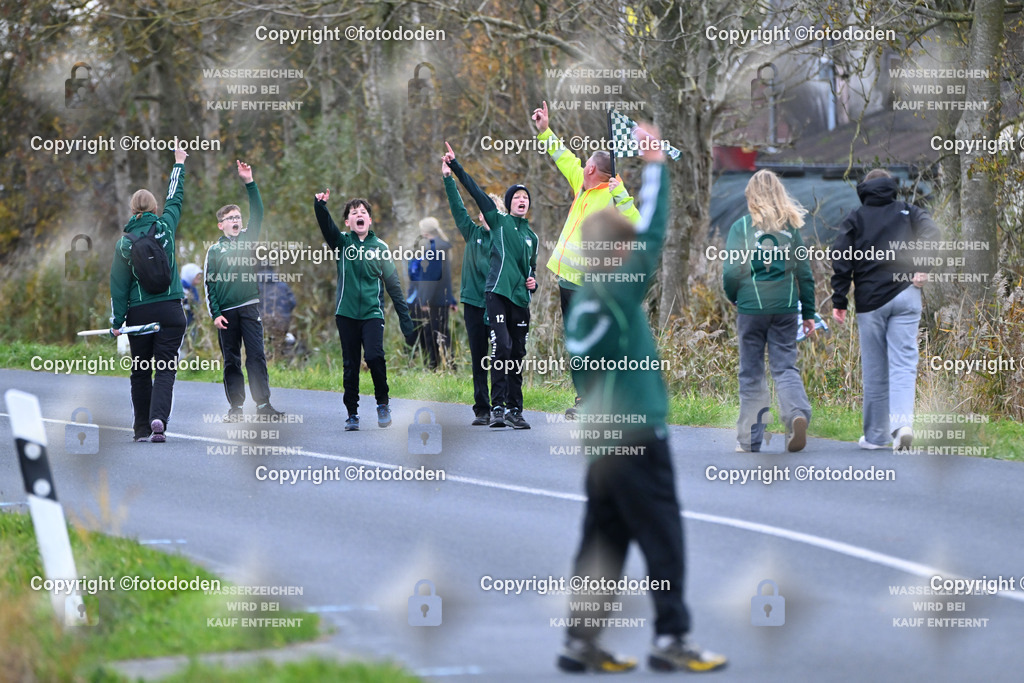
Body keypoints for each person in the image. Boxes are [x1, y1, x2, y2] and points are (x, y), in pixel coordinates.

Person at [559, 124, 727, 673]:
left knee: (602, 543)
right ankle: (671, 637)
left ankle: (581, 641)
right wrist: (656, 164)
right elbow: (654, 232)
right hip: (637, 437)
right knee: (664, 538)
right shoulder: (617, 290)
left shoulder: (583, 300)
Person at [531, 100, 641, 419]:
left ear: (592, 168)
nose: (580, 168)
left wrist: (621, 194)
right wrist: (544, 131)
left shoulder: (610, 194)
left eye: (585, 165)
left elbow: (636, 223)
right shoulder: (583, 185)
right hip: (568, 281)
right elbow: (563, 157)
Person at [830, 168, 939, 451]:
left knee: (875, 369)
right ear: (891, 186)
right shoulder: (910, 211)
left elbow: (841, 257)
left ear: (864, 188)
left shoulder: (855, 218)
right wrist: (922, 266)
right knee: (904, 365)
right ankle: (903, 426)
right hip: (907, 295)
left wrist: (839, 300)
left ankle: (877, 437)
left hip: (871, 302)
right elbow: (932, 233)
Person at [443, 142, 538, 430]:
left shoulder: (524, 235)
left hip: (511, 300)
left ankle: (511, 408)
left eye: (525, 197)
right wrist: (451, 173)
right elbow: (465, 200)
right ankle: (486, 408)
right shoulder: (477, 231)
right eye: (516, 197)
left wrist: (531, 283)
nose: (487, 213)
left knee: (509, 352)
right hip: (480, 299)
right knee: (487, 353)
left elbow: (527, 270)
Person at [723, 169, 816, 453]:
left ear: (752, 196)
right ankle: (797, 415)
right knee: (785, 367)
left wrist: (734, 297)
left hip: (751, 308)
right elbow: (804, 273)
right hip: (786, 309)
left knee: (751, 373)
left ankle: (750, 440)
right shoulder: (792, 228)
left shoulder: (740, 227)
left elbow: (730, 272)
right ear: (779, 194)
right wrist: (809, 312)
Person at [313, 189, 416, 431]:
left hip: (372, 313)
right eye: (353, 213)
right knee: (351, 364)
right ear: (348, 222)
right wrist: (320, 206)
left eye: (363, 212)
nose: (359, 215)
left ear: (370, 220)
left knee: (374, 356)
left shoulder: (380, 247)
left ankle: (382, 403)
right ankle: (352, 413)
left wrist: (405, 320)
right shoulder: (342, 243)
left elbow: (394, 286)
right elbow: (326, 226)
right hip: (346, 314)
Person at [109, 146, 189, 443]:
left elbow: (118, 286)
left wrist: (117, 321)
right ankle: (159, 419)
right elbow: (175, 196)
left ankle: (141, 428)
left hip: (139, 314)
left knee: (141, 370)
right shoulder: (166, 226)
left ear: (132, 211)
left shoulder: (123, 244)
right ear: (155, 209)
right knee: (165, 367)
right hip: (170, 310)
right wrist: (178, 163)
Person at [204, 160, 284, 421]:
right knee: (231, 361)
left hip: (249, 307)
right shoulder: (214, 251)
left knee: (257, 357)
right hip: (226, 313)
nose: (236, 221)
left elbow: (258, 212)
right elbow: (209, 284)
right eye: (231, 218)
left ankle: (263, 406)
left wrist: (249, 182)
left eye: (238, 217)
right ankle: (235, 408)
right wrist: (215, 313)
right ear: (221, 225)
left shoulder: (248, 240)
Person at [443, 159, 501, 425]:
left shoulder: (504, 238)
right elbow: (457, 209)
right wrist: (448, 179)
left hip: (498, 303)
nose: (487, 214)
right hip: (473, 303)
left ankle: (503, 404)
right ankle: (482, 408)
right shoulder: (471, 232)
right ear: (480, 215)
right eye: (484, 210)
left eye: (495, 209)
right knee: (479, 355)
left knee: (499, 356)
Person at [408, 217, 455, 370]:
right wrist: (451, 299)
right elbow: (446, 278)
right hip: (443, 299)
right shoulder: (441, 246)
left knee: (433, 335)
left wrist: (424, 301)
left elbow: (430, 277)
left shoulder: (432, 249)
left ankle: (434, 368)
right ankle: (448, 366)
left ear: (425, 231)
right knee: (443, 333)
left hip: (434, 301)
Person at [257, 263, 297, 361]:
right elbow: (293, 303)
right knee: (282, 342)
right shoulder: (283, 285)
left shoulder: (253, 286)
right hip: (282, 323)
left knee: (262, 342)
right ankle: (283, 362)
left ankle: (267, 361)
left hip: (260, 322)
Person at [179, 262, 202, 360]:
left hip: (191, 322)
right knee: (181, 342)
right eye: (197, 276)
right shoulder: (181, 289)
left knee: (190, 342)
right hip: (183, 323)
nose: (199, 278)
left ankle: (187, 361)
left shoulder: (193, 289)